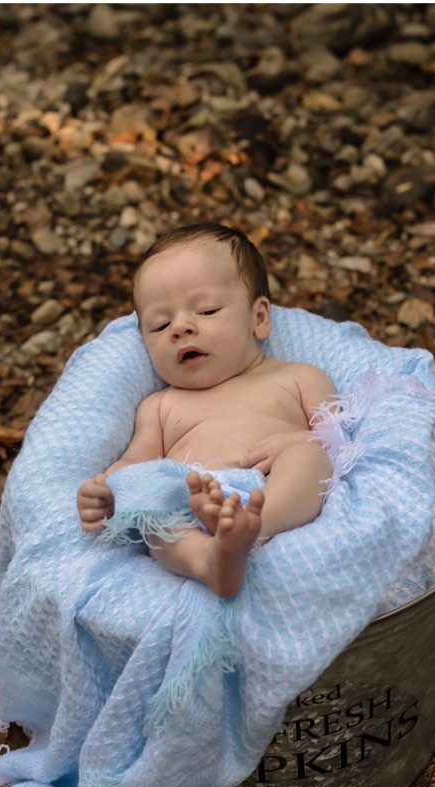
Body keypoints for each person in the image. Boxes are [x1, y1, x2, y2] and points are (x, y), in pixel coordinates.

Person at [76, 223, 335, 599]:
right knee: (156, 510)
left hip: (274, 492)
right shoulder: (160, 406)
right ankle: (210, 560)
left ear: (259, 319)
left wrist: (298, 441)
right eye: (160, 324)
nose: (180, 327)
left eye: (207, 310)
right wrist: (106, 492)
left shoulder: (298, 378)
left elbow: (343, 437)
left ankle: (253, 528)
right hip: (195, 507)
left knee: (310, 455)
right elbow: (136, 466)